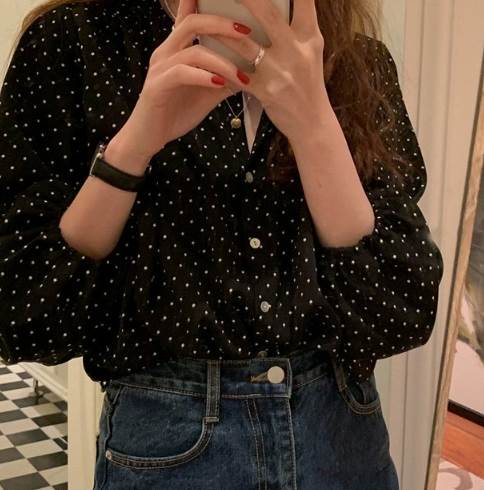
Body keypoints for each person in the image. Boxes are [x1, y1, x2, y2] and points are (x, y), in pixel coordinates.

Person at [0, 0, 444, 488]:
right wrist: (134, 143)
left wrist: (314, 124)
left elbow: (403, 312)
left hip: (340, 433)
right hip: (167, 442)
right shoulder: (76, 42)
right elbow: (26, 313)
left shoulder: (358, 61)